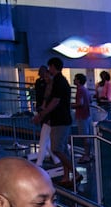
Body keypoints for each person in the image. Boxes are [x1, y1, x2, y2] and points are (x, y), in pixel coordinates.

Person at [33, 57, 77, 186]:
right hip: (60, 119)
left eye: (49, 68)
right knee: (62, 149)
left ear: (52, 67)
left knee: (56, 149)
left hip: (59, 120)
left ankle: (75, 173)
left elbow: (55, 101)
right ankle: (66, 176)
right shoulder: (59, 81)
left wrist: (42, 114)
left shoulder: (58, 81)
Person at [33, 66, 55, 167]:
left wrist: (41, 114)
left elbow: (50, 105)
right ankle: (55, 159)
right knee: (45, 139)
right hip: (48, 116)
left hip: (50, 117)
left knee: (44, 139)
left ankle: (40, 162)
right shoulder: (45, 87)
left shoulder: (52, 88)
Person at [72, 73, 94, 164]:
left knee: (84, 136)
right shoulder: (86, 90)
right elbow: (90, 101)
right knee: (87, 136)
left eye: (75, 79)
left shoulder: (80, 90)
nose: (74, 80)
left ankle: (86, 155)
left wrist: (70, 106)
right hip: (87, 115)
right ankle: (88, 154)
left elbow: (80, 103)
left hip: (82, 116)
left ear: (78, 80)